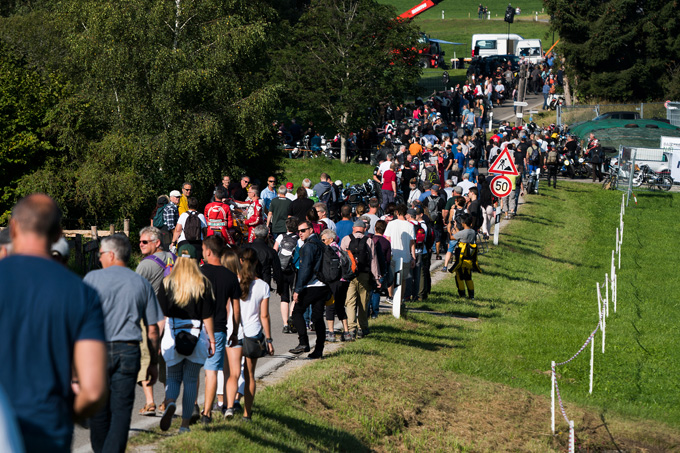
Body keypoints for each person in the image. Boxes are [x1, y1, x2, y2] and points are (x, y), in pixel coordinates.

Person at [0, 194, 106, 452]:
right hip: (48, 429)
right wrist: (67, 414)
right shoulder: (81, 293)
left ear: (13, 227)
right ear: (59, 233)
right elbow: (93, 391)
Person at [84, 234, 164, 453]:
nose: (100, 259)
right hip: (128, 350)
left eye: (101, 254)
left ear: (111, 255)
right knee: (121, 410)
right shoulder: (140, 282)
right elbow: (153, 328)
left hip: (96, 351)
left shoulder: (91, 279)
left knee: (98, 410)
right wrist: (153, 363)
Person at [157, 247, 216, 433]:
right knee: (191, 380)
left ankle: (171, 402)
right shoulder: (203, 283)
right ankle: (184, 426)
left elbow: (162, 315)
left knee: (173, 378)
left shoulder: (167, 283)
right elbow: (207, 316)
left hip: (172, 334)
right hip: (196, 335)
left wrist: (157, 340)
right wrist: (212, 340)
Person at [200, 236, 241, 425]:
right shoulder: (231, 276)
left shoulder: (198, 273)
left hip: (196, 328)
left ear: (208, 251)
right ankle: (208, 412)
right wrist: (234, 331)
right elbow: (235, 307)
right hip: (218, 329)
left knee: (192, 370)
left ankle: (196, 406)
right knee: (212, 371)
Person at [135, 226, 176, 417]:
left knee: (147, 359)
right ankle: (168, 400)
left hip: (150, 319)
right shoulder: (175, 259)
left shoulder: (145, 265)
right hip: (171, 318)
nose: (140, 245)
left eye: (145, 242)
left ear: (157, 242)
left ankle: (150, 402)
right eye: (140, 241)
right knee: (167, 359)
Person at [236, 248, 275, 421]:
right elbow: (264, 315)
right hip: (253, 334)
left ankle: (229, 405)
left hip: (234, 333)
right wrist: (269, 339)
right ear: (257, 263)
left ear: (240, 261)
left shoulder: (233, 281)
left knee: (232, 373)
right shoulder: (263, 286)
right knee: (249, 375)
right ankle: (247, 413)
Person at [289, 220, 331, 359]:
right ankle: (319, 349)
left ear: (311, 230)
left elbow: (305, 270)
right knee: (318, 318)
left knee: (297, 312)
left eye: (303, 230)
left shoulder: (308, 247)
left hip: (311, 286)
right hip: (323, 285)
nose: (300, 233)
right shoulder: (321, 243)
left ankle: (303, 342)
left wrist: (297, 289)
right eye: (298, 231)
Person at [340, 220, 381, 339]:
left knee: (350, 301)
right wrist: (376, 278)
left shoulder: (346, 239)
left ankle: (351, 328)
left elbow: (342, 259)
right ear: (364, 229)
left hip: (350, 275)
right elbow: (373, 260)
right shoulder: (369, 241)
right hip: (364, 274)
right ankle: (362, 327)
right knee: (363, 302)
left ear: (353, 228)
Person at [319, 229, 352, 341]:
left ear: (331, 239)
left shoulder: (328, 250)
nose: (322, 241)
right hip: (344, 281)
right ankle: (346, 332)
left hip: (333, 281)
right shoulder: (339, 249)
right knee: (340, 306)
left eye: (323, 239)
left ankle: (331, 332)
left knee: (330, 306)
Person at [384, 204, 416, 302]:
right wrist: (413, 257)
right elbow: (412, 243)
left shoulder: (391, 224)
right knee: (402, 279)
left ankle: (391, 296)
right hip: (406, 256)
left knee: (391, 277)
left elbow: (387, 239)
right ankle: (400, 298)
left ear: (397, 212)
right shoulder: (410, 225)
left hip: (393, 254)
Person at [273, 218, 300, 333]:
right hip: (294, 270)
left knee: (284, 298)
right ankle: (291, 318)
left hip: (282, 269)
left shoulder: (280, 237)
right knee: (294, 296)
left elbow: (275, 251)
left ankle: (285, 324)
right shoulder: (299, 239)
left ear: (286, 227)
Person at [449, 214, 481, 298]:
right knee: (468, 277)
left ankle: (462, 294)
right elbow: (460, 235)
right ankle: (471, 295)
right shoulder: (473, 232)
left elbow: (452, 237)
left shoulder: (463, 233)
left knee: (459, 277)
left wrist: (450, 229)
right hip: (469, 259)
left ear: (463, 222)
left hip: (461, 260)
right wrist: (456, 229)